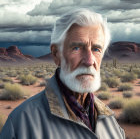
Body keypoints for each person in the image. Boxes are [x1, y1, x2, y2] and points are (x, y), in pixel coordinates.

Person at [0, 8, 125, 139]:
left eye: (96, 49)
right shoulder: (22, 123)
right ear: (56, 54)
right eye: (76, 48)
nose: (89, 61)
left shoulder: (111, 123)